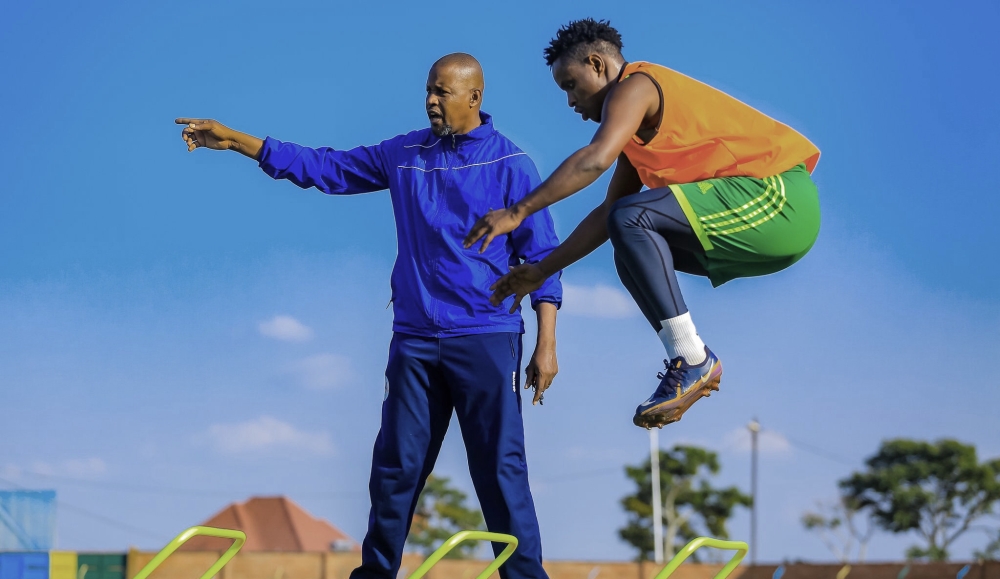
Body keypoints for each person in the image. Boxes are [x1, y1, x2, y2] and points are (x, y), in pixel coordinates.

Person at [176, 53, 560, 579]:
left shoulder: (511, 164)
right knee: (395, 469)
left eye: (442, 92)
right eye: (428, 90)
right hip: (416, 340)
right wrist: (241, 142)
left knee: (500, 469)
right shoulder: (404, 155)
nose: (430, 100)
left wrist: (546, 344)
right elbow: (326, 168)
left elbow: (542, 258)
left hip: (486, 336)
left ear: (474, 98)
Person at [464, 19, 821, 430]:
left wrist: (518, 211)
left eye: (570, 85)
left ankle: (693, 358)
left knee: (630, 218)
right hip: (767, 225)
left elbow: (595, 160)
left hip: (779, 201)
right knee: (627, 242)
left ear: (597, 64)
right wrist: (542, 270)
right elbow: (608, 215)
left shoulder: (638, 85)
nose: (570, 101)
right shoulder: (636, 141)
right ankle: (689, 358)